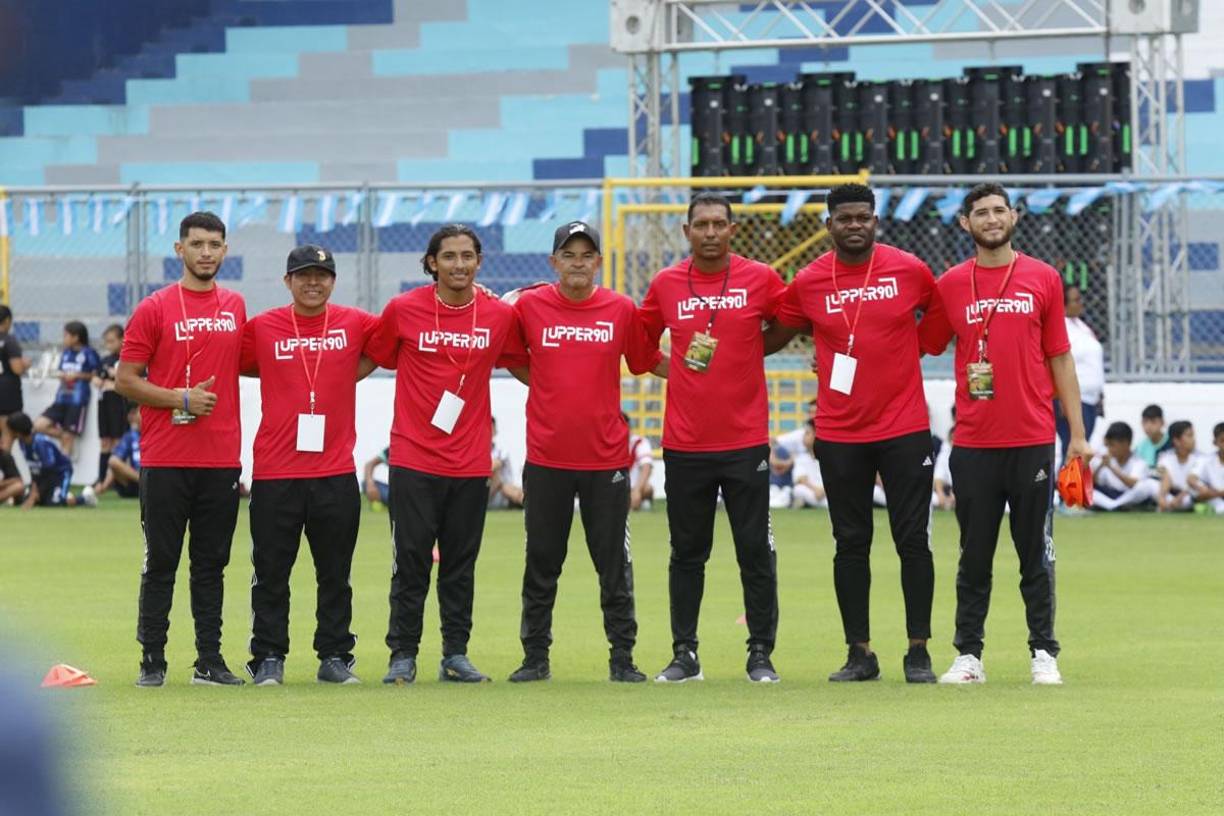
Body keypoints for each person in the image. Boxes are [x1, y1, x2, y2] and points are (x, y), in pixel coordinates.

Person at [765, 182, 942, 684]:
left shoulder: (908, 269)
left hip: (905, 427)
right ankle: (859, 652)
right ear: (828, 226)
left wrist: (920, 349)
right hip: (840, 432)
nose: (855, 225)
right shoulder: (809, 281)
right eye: (845, 218)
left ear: (876, 221)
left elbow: (940, 313)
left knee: (913, 541)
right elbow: (777, 332)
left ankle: (918, 651)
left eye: (863, 216)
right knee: (850, 542)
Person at [918, 182, 1091, 687]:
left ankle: (1044, 651)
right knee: (974, 554)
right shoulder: (950, 283)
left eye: (999, 210)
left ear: (1013, 217)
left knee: (1035, 552)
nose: (992, 218)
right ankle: (968, 655)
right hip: (972, 443)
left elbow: (1060, 355)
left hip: (1033, 437)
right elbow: (922, 343)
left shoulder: (1043, 278)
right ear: (964, 223)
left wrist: (1077, 435)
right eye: (981, 212)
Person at [365, 224, 528, 685]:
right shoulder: (403, 310)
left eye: (468, 256)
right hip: (413, 460)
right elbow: (374, 355)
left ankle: (455, 654)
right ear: (432, 262)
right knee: (411, 561)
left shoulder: (498, 316)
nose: (459, 264)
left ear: (479, 262)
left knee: (460, 564)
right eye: (450, 256)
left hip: (471, 461)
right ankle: (403, 654)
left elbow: (523, 364)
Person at [506, 220, 662, 684]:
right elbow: (514, 358)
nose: (578, 263)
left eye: (586, 255)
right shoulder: (530, 307)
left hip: (607, 460)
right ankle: (535, 659)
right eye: (568, 255)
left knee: (614, 565)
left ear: (598, 261)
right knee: (542, 562)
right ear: (553, 262)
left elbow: (644, 360)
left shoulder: (620, 309)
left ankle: (623, 658)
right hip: (548, 457)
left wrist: (706, 371)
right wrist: (551, 387)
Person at [639, 192, 786, 684]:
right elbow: (640, 348)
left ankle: (760, 653)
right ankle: (685, 654)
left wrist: (748, 353)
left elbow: (788, 325)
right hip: (685, 443)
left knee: (754, 550)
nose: (709, 232)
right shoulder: (665, 284)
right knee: (686, 552)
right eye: (700, 224)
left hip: (745, 441)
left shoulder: (760, 279)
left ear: (731, 229)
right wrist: (678, 371)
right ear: (686, 232)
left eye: (718, 224)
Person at [116, 211, 247, 688]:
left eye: (214, 244)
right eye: (197, 244)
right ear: (179, 250)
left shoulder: (235, 305)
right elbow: (124, 379)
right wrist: (179, 398)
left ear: (225, 250)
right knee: (162, 562)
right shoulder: (154, 308)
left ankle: (209, 661)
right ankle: (152, 659)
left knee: (212, 564)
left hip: (221, 459)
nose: (206, 252)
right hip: (166, 458)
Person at [240, 244, 381, 686]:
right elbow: (238, 362)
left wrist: (346, 374)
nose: (313, 282)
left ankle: (335, 655)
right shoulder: (262, 328)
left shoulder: (356, 322)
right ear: (287, 281)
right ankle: (267, 657)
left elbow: (396, 340)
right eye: (303, 275)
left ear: (333, 281)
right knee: (270, 573)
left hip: (335, 472)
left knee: (335, 573)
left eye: (322, 275)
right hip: (275, 473)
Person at [33, 321, 99, 459]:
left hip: (77, 400)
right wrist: (62, 375)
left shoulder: (89, 353)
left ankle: (64, 473)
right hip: (61, 398)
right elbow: (62, 371)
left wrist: (78, 375)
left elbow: (97, 373)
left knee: (68, 440)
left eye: (66, 335)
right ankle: (64, 435)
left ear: (76, 337)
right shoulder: (66, 353)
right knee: (38, 425)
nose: (64, 339)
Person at [1056, 284, 1104, 463]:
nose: (1081, 303)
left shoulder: (1081, 326)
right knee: (1073, 448)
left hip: (1090, 399)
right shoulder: (1061, 328)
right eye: (1076, 300)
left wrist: (1100, 394)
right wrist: (1061, 397)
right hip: (1074, 399)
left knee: (1081, 451)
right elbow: (1059, 363)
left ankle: (1072, 490)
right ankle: (1066, 490)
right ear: (1063, 304)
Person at [6, 412, 90, 508]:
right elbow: (34, 469)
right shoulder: (22, 443)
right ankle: (52, 495)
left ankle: (85, 498)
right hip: (43, 477)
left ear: (18, 431)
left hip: (60, 473)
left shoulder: (40, 443)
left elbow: (48, 469)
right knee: (35, 501)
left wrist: (35, 493)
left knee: (55, 503)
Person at [1090, 421, 1157, 511]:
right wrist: (1100, 466)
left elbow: (1132, 483)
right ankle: (1114, 505)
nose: (1110, 449)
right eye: (1108, 445)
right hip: (1112, 495)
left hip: (1130, 496)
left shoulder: (1139, 462)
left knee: (1144, 486)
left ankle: (1114, 505)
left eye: (1113, 445)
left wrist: (1112, 468)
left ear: (1126, 444)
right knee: (1089, 491)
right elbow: (1095, 483)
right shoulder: (1108, 459)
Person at [92, 324, 128, 490]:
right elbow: (95, 378)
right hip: (104, 405)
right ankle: (101, 479)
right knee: (105, 442)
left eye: (111, 341)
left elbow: (136, 381)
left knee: (118, 441)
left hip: (119, 406)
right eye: (106, 342)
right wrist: (98, 381)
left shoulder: (128, 359)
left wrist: (114, 382)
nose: (108, 345)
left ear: (122, 340)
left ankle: (113, 482)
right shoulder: (105, 360)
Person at [94, 402, 142, 499]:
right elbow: (115, 460)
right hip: (136, 480)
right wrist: (104, 485)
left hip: (154, 475)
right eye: (131, 414)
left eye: (135, 413)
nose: (133, 417)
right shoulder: (130, 436)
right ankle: (142, 481)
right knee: (113, 461)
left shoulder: (156, 433)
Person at [0, 305, 28, 454]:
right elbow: (17, 368)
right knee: (7, 435)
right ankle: (4, 472)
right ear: (7, 321)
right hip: (7, 393)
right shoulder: (9, 341)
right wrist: (26, 365)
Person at [1155, 421, 1201, 512]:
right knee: (1149, 484)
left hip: (1189, 495)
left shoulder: (1200, 459)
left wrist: (1179, 498)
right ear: (1176, 441)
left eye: (1193, 435)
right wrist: (1162, 498)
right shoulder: (1163, 457)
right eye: (1189, 436)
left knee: (1188, 498)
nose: (1193, 439)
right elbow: (1164, 479)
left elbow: (1196, 484)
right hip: (1170, 493)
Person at [791, 420, 827, 509]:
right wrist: (816, 491)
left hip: (827, 492)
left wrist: (823, 491)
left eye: (807, 433)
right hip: (813, 493)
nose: (804, 437)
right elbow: (800, 479)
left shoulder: (830, 456)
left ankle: (808, 504)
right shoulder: (801, 457)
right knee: (798, 489)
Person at [488, 417, 523, 509]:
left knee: (499, 480)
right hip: (488, 490)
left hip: (501, 493)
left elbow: (495, 465)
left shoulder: (501, 451)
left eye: (491, 428)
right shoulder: (477, 452)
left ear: (495, 431)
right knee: (499, 481)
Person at [1191, 422, 1224, 514]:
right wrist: (1203, 489)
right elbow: (1191, 479)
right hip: (1214, 498)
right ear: (1215, 442)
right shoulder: (1205, 460)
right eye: (1223, 441)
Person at [626, 414, 654, 511]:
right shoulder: (609, 443)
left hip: (636, 486)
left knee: (647, 488)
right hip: (618, 487)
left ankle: (639, 501)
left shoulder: (639, 442)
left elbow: (647, 466)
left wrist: (637, 490)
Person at [1136, 404, 1172, 468]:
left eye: (1153, 422)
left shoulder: (1172, 443)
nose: (1148, 426)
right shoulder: (1140, 447)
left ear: (1162, 422)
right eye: (1145, 422)